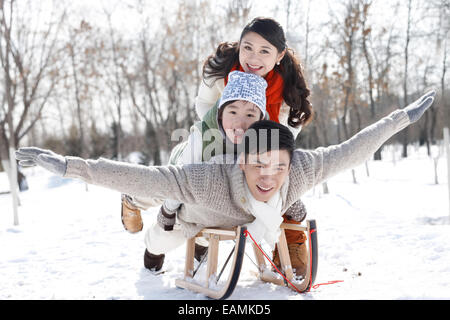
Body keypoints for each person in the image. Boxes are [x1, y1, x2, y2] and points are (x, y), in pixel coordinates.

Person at [16, 91, 436, 277]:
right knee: (159, 243)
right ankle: (156, 229)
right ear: (241, 161)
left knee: (290, 206)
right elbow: (140, 175)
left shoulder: (303, 169)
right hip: (193, 213)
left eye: (277, 166)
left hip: (244, 219)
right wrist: (70, 166)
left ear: (292, 162)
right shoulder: (211, 176)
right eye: (257, 165)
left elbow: (353, 148)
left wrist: (401, 119)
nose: (268, 175)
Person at [121, 17, 314, 272]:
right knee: (177, 179)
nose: (253, 57)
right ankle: (134, 199)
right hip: (215, 134)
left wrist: (258, 147)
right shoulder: (222, 69)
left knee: (275, 176)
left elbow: (282, 147)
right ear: (240, 46)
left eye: (264, 51)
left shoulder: (288, 92)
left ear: (279, 56)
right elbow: (202, 106)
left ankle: (290, 244)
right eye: (248, 47)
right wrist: (225, 124)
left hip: (256, 148)